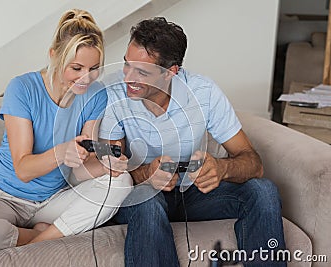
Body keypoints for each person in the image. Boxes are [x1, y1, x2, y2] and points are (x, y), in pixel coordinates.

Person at [99, 17, 286, 266]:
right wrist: (145, 174)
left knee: (263, 191)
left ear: (171, 72)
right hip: (142, 195)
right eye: (126, 64)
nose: (128, 78)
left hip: (194, 195)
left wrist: (222, 169)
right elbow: (107, 171)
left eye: (142, 71)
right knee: (148, 204)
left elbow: (253, 163)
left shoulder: (203, 92)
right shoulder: (112, 94)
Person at [0, 9, 132, 254]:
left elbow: (81, 171)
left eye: (94, 68)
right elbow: (23, 170)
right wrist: (62, 152)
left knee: (121, 182)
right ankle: (38, 235)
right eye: (76, 68)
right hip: (3, 196)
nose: (86, 78)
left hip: (53, 200)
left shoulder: (96, 95)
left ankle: (40, 242)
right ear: (54, 56)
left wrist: (107, 165)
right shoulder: (22, 88)